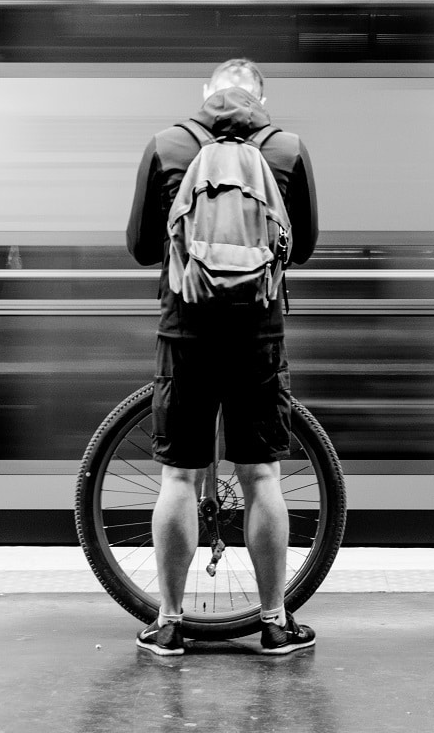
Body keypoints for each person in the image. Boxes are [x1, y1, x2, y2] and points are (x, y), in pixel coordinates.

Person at [126, 58, 319, 656]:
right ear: (260, 96)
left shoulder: (167, 145)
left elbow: (138, 247)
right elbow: (303, 249)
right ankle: (272, 623)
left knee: (179, 476)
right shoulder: (286, 149)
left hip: (184, 331)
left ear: (206, 94)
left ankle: (169, 624)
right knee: (261, 476)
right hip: (258, 333)